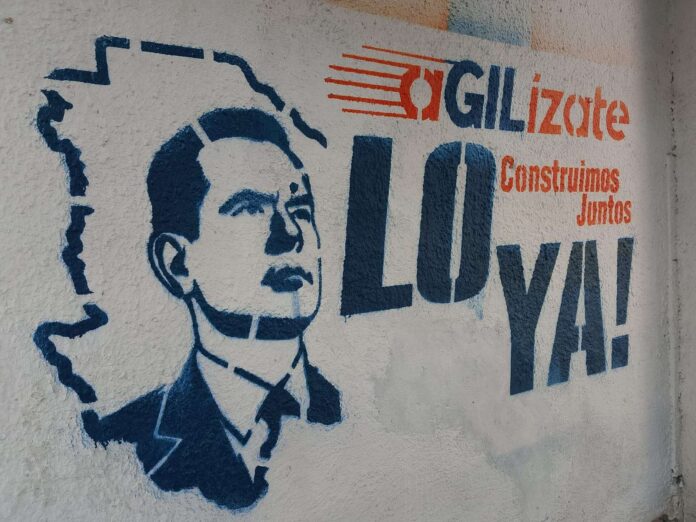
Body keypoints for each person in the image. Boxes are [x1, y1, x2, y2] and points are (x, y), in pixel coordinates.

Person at [81, 106, 341, 510]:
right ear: (177, 264)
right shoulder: (119, 443)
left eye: (300, 210)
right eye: (250, 208)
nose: (290, 233)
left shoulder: (353, 413)